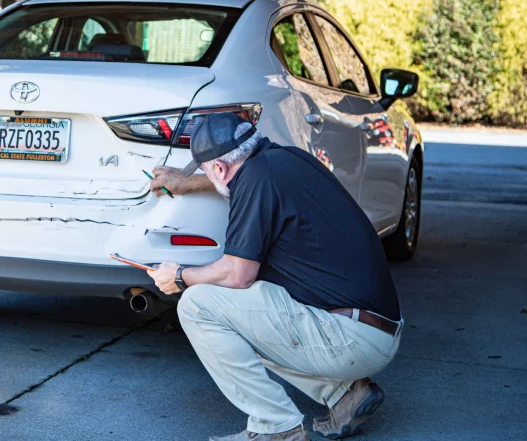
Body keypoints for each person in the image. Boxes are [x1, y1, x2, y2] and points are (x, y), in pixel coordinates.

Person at [148, 113, 403, 441]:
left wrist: (180, 276)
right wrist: (191, 183)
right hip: (371, 328)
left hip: (352, 339)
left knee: (199, 304)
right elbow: (236, 182)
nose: (206, 178)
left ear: (220, 169)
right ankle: (345, 393)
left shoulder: (256, 181)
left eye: (206, 171)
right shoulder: (286, 159)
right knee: (251, 308)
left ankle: (276, 428)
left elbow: (238, 274)